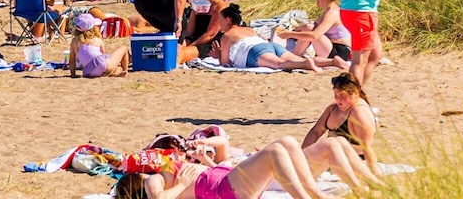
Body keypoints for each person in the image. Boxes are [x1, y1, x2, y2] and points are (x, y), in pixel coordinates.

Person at [111, 135, 333, 199]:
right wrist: (183, 182)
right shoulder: (154, 180)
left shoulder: (170, 173)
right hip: (222, 188)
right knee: (276, 151)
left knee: (287, 143)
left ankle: (314, 194)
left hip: (225, 182)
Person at [302, 73, 384, 180]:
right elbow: (316, 131)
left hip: (351, 161)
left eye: (342, 96)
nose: (338, 99)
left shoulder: (359, 113)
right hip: (331, 157)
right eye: (336, 95)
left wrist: (375, 174)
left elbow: (367, 146)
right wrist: (303, 153)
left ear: (354, 93)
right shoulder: (333, 108)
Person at [211, 4, 342, 71]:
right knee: (295, 58)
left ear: (228, 20)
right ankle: (332, 62)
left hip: (254, 52)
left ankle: (305, 64)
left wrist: (218, 54)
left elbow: (225, 64)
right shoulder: (248, 29)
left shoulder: (226, 36)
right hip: (269, 46)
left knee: (279, 64)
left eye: (220, 19)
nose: (219, 22)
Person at [277, 0, 355, 66]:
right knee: (308, 27)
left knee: (309, 29)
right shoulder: (328, 10)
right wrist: (298, 29)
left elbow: (315, 35)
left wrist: (290, 34)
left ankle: (293, 56)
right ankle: (294, 56)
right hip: (333, 47)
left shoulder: (332, 13)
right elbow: (313, 24)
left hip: (340, 51)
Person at [67, 14, 130, 78]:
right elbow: (103, 56)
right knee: (123, 48)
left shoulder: (74, 42)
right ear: (93, 27)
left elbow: (72, 61)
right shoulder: (97, 40)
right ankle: (125, 71)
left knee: (115, 68)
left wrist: (73, 74)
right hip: (102, 64)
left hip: (89, 72)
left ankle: (114, 74)